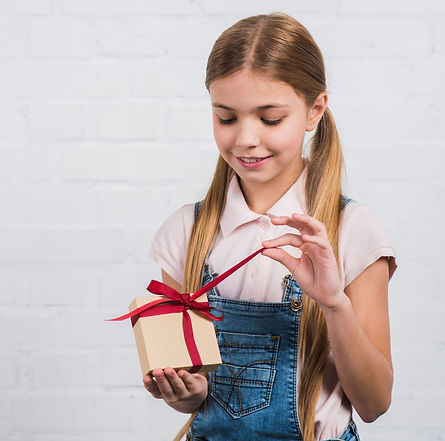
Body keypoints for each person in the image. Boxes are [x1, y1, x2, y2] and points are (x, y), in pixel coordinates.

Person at [144, 12, 397, 441]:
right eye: (226, 118)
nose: (245, 138)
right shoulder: (185, 232)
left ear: (314, 110)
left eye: (270, 118)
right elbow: (188, 397)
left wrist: (334, 303)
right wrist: (184, 392)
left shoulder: (353, 230)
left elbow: (374, 404)